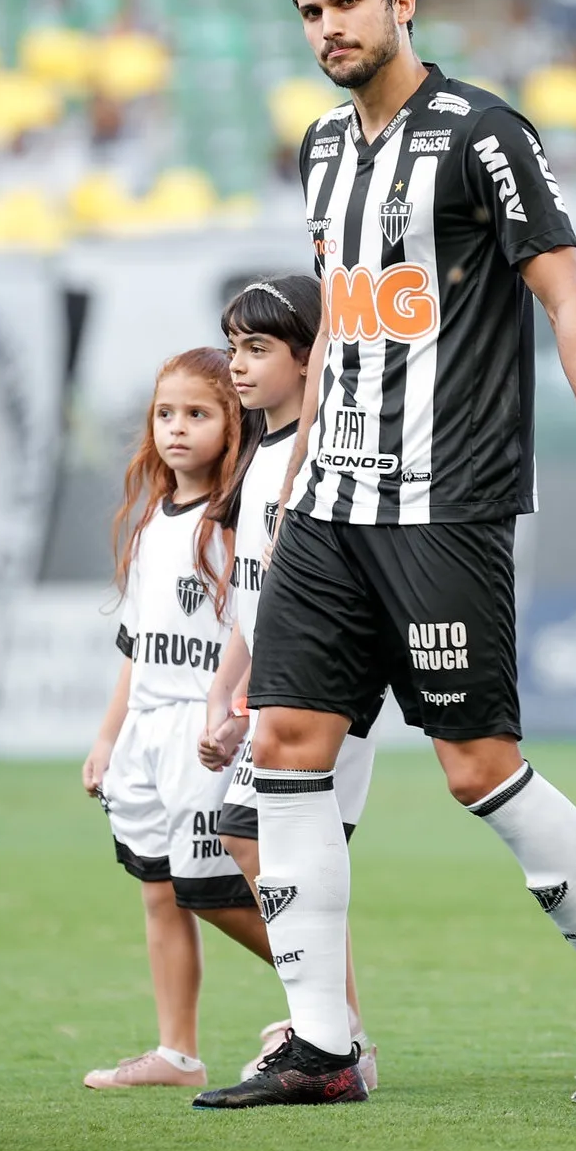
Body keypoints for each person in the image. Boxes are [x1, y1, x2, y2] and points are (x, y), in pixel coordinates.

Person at [192, 0, 576, 1111]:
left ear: (402, 4)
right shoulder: (318, 148)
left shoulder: (482, 134)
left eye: (348, 4)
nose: (329, 29)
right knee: (286, 749)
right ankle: (321, 1042)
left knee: (478, 768)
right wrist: (293, 482)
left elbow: (568, 303)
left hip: (444, 506)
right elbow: (350, 337)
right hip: (330, 504)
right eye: (310, 12)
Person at [199, 275, 379, 1088]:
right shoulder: (258, 456)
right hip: (269, 680)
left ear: (313, 360)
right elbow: (249, 595)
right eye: (234, 347)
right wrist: (224, 690)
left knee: (256, 844)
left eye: (259, 349)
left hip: (322, 685)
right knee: (242, 848)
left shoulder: (328, 458)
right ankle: (332, 1028)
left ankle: (337, 1037)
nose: (238, 365)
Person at [81, 348, 274, 1089]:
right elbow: (135, 649)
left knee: (216, 892)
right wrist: (107, 737)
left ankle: (328, 1019)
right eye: (166, 414)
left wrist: (234, 713)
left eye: (198, 414)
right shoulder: (150, 521)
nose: (177, 429)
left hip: (207, 736)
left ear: (234, 423)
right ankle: (176, 1053)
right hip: (145, 738)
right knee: (159, 892)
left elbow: (255, 627)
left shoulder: (235, 523)